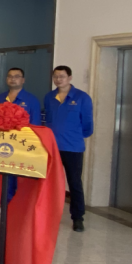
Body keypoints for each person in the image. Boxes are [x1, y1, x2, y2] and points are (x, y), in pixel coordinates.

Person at [44, 65, 94, 232]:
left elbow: (87, 124)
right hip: (52, 147)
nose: (58, 79)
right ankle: (49, 214)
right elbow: (48, 120)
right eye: (56, 76)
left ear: (70, 78)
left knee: (74, 183)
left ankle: (78, 218)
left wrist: (75, 135)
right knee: (50, 182)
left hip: (73, 148)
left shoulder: (82, 97)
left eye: (62, 76)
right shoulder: (49, 97)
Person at [0, 67, 42, 202]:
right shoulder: (0, 98)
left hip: (22, 145)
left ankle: (18, 206)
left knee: (20, 178)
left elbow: (35, 125)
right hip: (3, 145)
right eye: (10, 76)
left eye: (16, 76)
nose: (13, 79)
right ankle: (5, 204)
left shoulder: (31, 100)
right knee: (5, 177)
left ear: (23, 80)